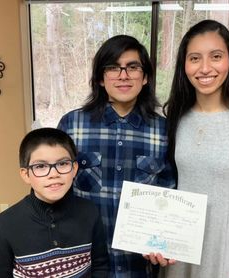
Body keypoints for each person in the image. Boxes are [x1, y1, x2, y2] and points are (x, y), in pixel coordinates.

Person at [148, 19, 229, 278]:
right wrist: (156, 239)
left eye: (216, 56)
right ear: (184, 65)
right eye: (195, 58)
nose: (205, 68)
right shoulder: (175, 114)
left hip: (228, 252)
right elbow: (168, 185)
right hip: (180, 250)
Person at [58, 34, 175, 277]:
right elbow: (55, 191)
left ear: (145, 78)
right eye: (113, 68)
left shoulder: (164, 131)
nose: (123, 75)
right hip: (83, 264)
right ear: (101, 78)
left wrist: (165, 240)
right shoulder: (72, 125)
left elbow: (169, 195)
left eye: (132, 67)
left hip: (139, 268)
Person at [0, 128, 109, 277]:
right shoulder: (7, 222)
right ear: (26, 175)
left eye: (63, 163)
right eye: (40, 166)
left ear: (74, 168)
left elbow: (100, 265)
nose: (54, 174)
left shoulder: (90, 211)